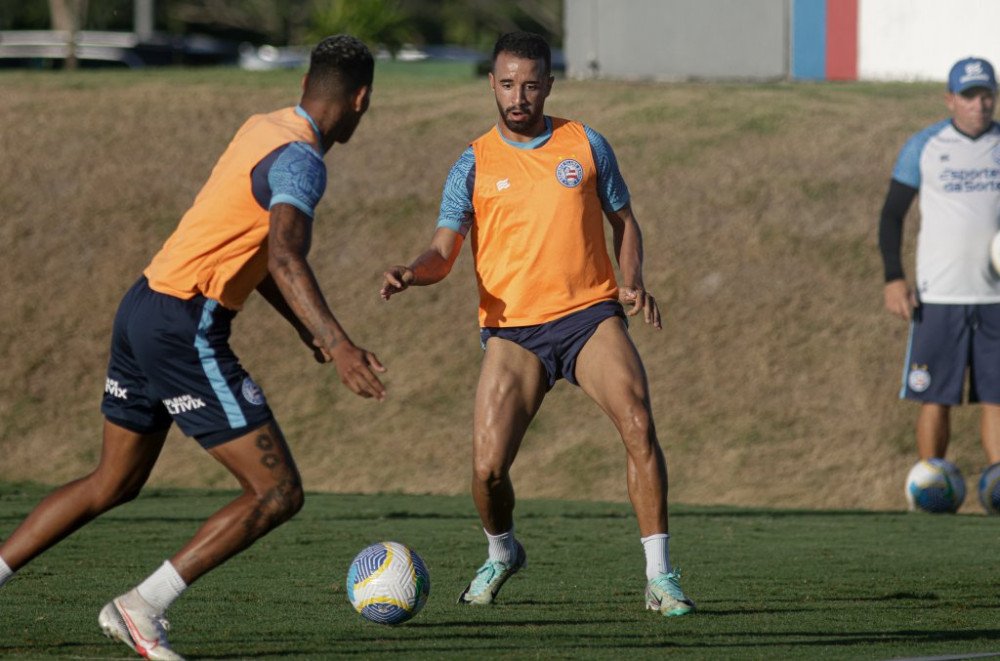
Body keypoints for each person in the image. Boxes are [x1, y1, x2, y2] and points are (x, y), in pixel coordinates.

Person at [0, 35, 386, 660]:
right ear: (361, 98)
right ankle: (141, 607)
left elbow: (252, 251)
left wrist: (309, 330)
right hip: (183, 326)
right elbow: (285, 256)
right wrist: (339, 344)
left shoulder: (263, 126)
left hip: (144, 306)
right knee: (277, 492)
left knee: (111, 482)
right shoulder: (302, 161)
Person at [380, 31, 695, 616]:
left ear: (548, 84)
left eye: (530, 84)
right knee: (487, 469)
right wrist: (412, 272)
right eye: (506, 84)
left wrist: (632, 283)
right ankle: (502, 551)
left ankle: (660, 575)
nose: (518, 95)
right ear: (492, 85)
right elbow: (443, 251)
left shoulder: (586, 144)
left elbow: (625, 221)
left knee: (638, 423)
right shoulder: (472, 163)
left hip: (589, 316)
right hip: (513, 330)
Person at [879, 56, 1000, 489]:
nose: (979, 105)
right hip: (939, 296)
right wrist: (894, 278)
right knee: (935, 397)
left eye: (986, 95)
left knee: (997, 397)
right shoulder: (924, 146)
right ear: (950, 100)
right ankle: (932, 484)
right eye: (968, 96)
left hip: (995, 299)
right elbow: (892, 216)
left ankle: (997, 487)